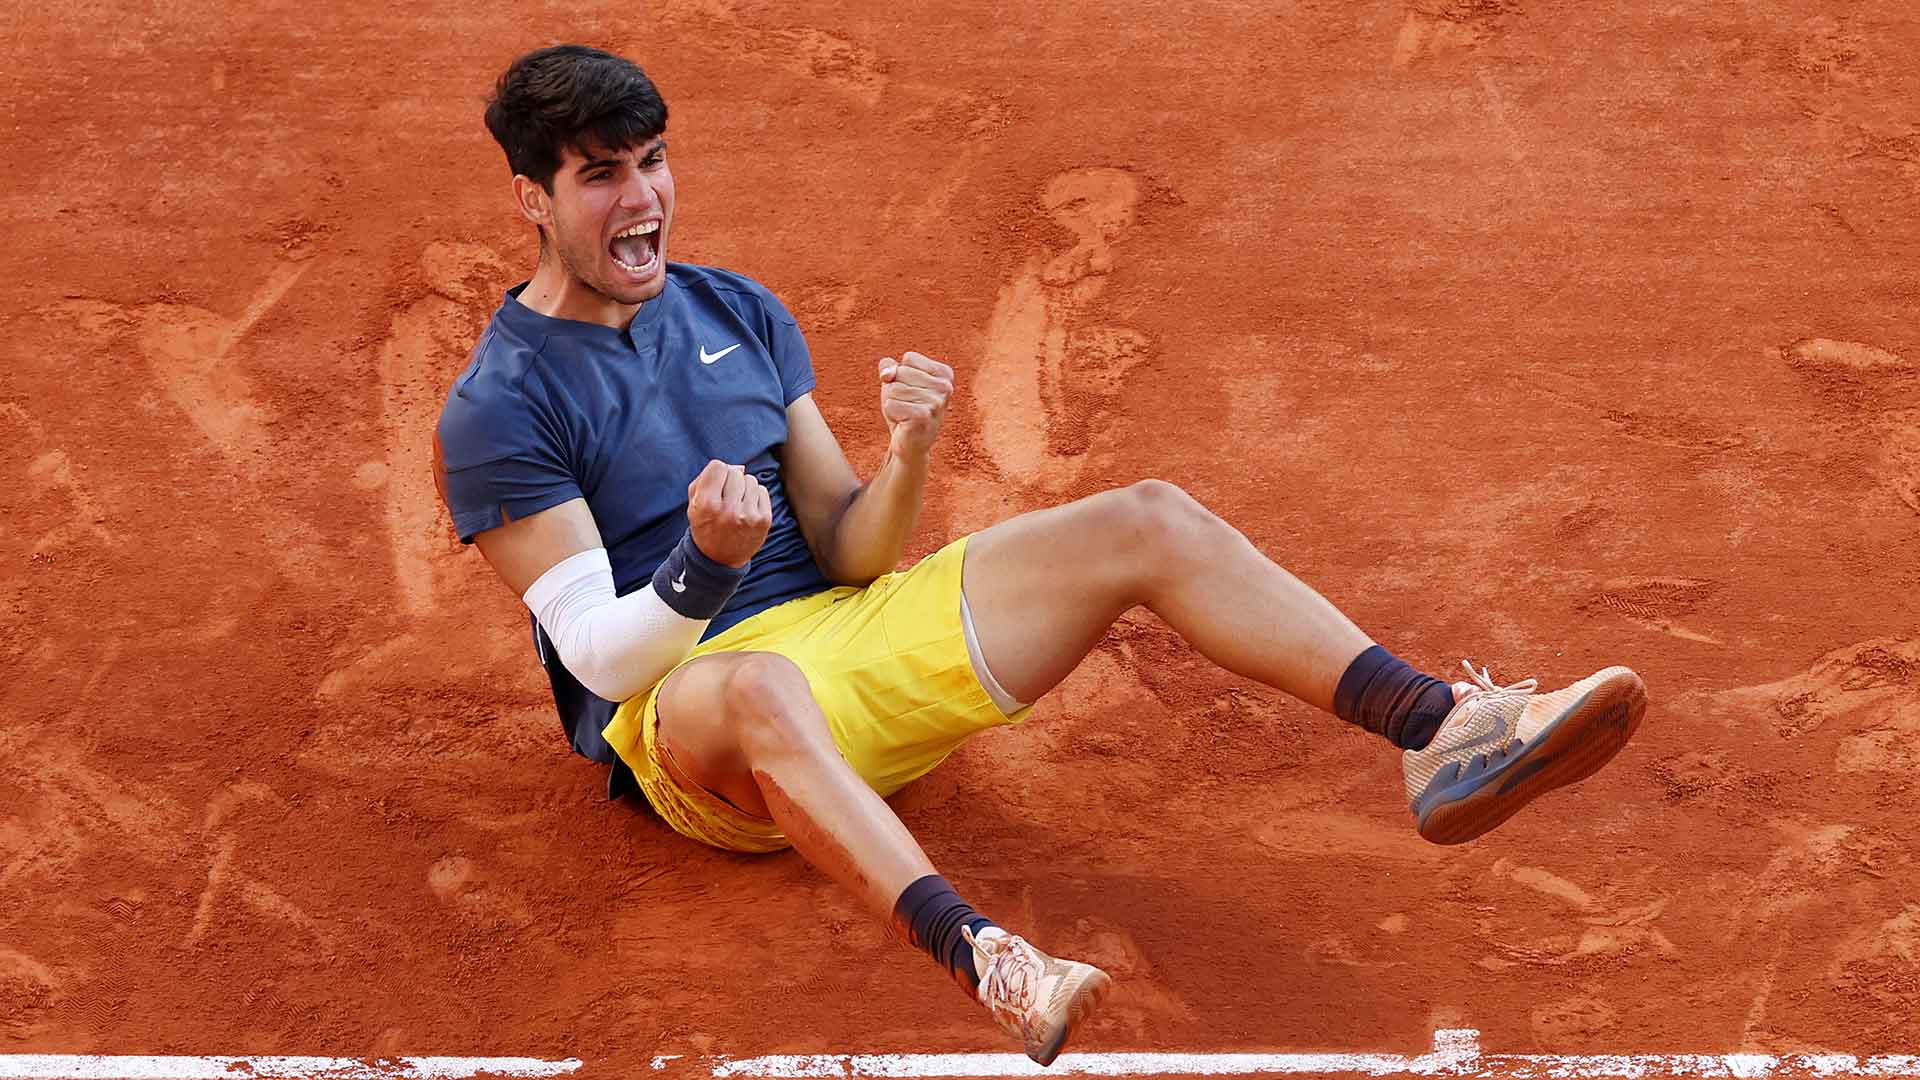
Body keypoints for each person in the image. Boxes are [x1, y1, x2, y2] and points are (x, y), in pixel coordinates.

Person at [433, 44, 1648, 1067]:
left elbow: (854, 554)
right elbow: (602, 663)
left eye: (651, 161)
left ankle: (1438, 729)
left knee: (1148, 518)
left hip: (845, 651)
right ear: (534, 199)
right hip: (701, 727)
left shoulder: (734, 311)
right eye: (601, 175)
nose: (641, 198)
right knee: (756, 683)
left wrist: (908, 453)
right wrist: (701, 567)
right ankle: (990, 961)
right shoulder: (501, 407)